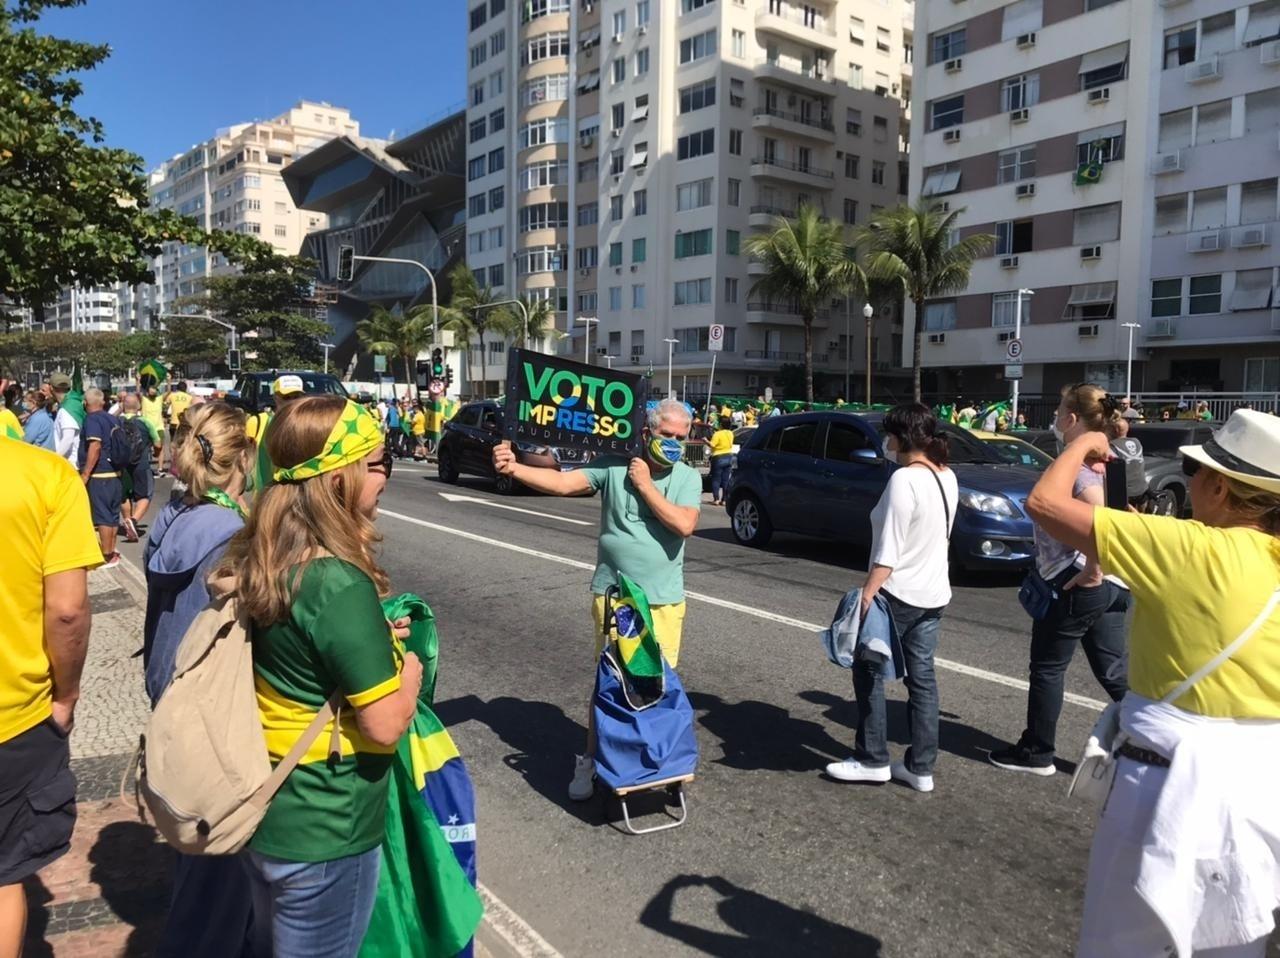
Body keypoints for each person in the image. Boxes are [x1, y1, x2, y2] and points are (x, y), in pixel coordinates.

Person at [1026, 409, 1280, 957]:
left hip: (1167, 788)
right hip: (1263, 791)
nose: (1189, 481)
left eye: (1197, 472)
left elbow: (1045, 503)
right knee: (1232, 941)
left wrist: (1082, 442)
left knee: (1120, 944)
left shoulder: (1189, 547)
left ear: (1219, 485)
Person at [224, 396, 421, 958]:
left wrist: (372, 637)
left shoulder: (264, 556)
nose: (387, 477)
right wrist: (410, 668)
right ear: (339, 477)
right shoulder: (337, 583)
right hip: (328, 823)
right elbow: (384, 725)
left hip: (268, 808)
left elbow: (306, 656)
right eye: (379, 463)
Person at [492, 397, 701, 800]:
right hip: (616, 598)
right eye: (666, 435)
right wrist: (513, 467)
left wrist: (643, 485)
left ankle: (657, 761)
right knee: (610, 684)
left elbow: (684, 524)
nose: (673, 443)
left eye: (681, 436)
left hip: (663, 601)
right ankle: (591, 761)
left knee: (658, 685)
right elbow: (563, 483)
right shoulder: (613, 463)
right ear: (646, 432)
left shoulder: (688, 478)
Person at [143, 402, 255, 957]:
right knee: (219, 881)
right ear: (240, 460)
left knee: (195, 869)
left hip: (170, 693)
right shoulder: (230, 529)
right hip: (212, 708)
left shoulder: (173, 514)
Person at [990, 384, 1130, 774]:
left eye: (1058, 411)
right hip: (1114, 586)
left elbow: (1099, 515)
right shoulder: (1110, 460)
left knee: (1048, 669)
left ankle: (1037, 753)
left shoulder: (1082, 466)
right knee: (1115, 673)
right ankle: (1157, 744)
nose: (1054, 419)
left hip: (1077, 581)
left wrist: (1092, 567)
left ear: (1071, 419)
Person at [0, 436, 100, 956]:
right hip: (13, 717)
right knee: (2, 876)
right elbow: (67, 610)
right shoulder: (45, 475)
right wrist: (67, 694)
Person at [826, 404, 959, 793]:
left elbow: (889, 548)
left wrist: (867, 595)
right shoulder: (947, 476)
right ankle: (920, 767)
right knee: (923, 680)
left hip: (897, 594)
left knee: (867, 671)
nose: (885, 442)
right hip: (934, 593)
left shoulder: (904, 480)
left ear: (901, 439)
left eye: (889, 435)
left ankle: (872, 759)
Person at [79, 388, 125, 567]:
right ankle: (112, 550)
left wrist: (85, 474)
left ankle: (106, 554)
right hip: (115, 473)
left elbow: (95, 446)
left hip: (100, 474)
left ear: (86, 403)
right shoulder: (112, 418)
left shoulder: (92, 420)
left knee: (103, 516)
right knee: (112, 515)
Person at [117, 392, 159, 542]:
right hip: (141, 463)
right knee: (145, 495)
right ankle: (133, 521)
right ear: (139, 406)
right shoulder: (145, 422)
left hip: (121, 464)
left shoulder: (115, 421)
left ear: (123, 406)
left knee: (124, 495)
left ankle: (127, 520)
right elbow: (158, 444)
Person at [50, 372, 80, 469]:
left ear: (51, 388)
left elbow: (68, 439)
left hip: (71, 464)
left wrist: (54, 459)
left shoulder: (66, 409)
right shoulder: (76, 402)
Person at [707, 416, 735, 506]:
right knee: (725, 480)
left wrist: (705, 440)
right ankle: (724, 500)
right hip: (729, 457)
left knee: (716, 479)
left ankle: (716, 499)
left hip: (718, 457)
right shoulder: (731, 433)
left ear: (721, 424)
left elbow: (712, 445)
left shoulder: (717, 434)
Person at [140, 383, 167, 474]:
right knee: (145, 448)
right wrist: (138, 380)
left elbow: (169, 392)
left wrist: (169, 380)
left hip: (159, 427)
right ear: (147, 392)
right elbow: (138, 393)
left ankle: (160, 468)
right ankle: (146, 467)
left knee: (160, 447)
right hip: (147, 427)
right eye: (151, 389)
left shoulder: (159, 399)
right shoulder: (144, 400)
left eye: (155, 389)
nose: (154, 391)